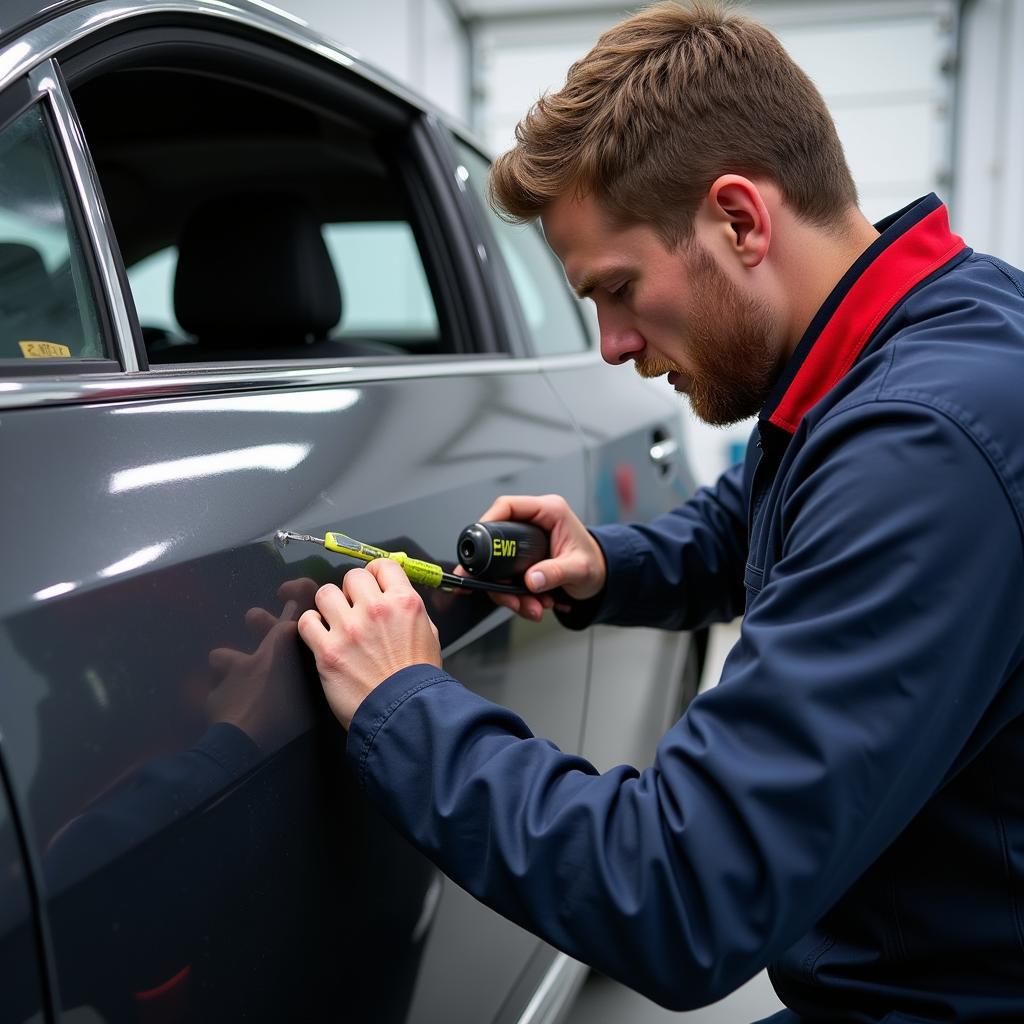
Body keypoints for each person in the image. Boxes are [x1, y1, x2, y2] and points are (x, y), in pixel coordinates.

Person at [297, 2, 1024, 1020]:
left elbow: (682, 891)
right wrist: (608, 566)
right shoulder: (896, 342)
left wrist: (406, 708)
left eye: (620, 289)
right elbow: (750, 523)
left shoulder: (921, 449)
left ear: (739, 219)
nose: (610, 346)